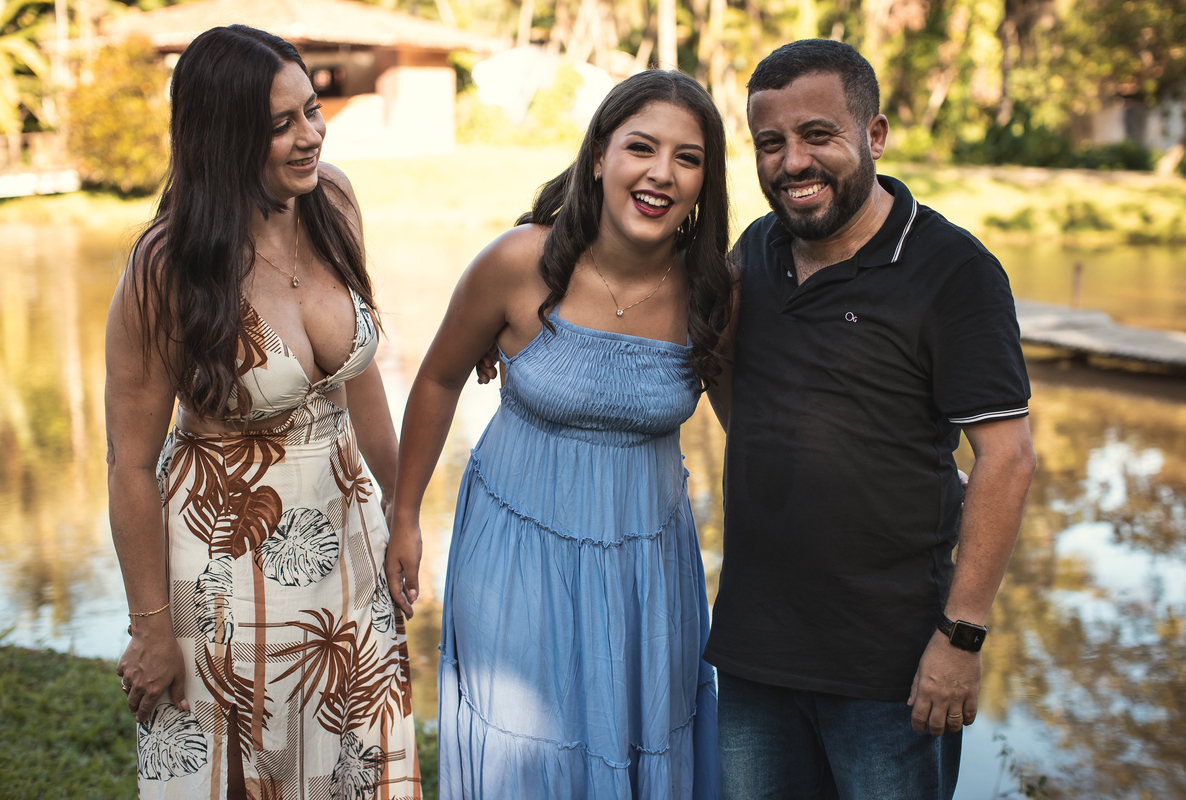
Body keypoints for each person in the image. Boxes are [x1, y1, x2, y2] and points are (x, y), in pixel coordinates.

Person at [386, 70, 733, 799]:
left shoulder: (712, 294)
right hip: (517, 556)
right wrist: (406, 516)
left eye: (689, 158)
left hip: (649, 569)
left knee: (643, 742)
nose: (661, 174)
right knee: (527, 756)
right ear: (599, 155)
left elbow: (754, 429)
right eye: (642, 147)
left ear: (707, 180)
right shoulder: (519, 263)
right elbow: (441, 379)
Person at [704, 40, 1037, 799]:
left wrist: (960, 639)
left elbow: (1008, 459)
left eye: (817, 135)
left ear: (874, 135)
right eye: (770, 143)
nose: (792, 162)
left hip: (891, 670)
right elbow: (722, 372)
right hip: (756, 654)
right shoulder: (754, 250)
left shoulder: (954, 271)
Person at [105, 25, 421, 799]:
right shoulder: (167, 267)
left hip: (347, 550)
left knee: (364, 770)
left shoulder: (331, 203)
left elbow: (362, 378)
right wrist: (150, 626)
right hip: (223, 574)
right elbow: (129, 466)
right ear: (223, 137)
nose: (310, 136)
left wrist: (403, 509)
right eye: (281, 125)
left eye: (311, 111)